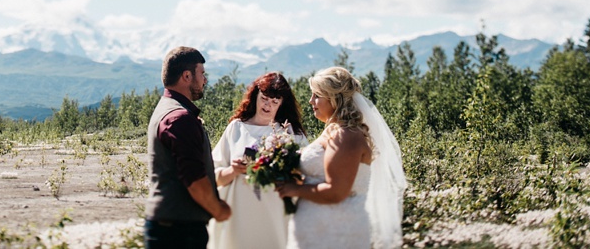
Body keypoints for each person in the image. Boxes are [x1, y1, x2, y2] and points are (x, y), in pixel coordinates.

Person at [276, 66, 406, 249]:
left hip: (336, 231)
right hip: (319, 228)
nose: (310, 101)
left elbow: (336, 192)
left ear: (335, 99)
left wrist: (294, 189)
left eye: (317, 95)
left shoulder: (347, 136)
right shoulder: (333, 131)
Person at [208, 72, 308, 249]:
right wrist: (233, 170)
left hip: (276, 214)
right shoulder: (236, 128)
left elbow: (306, 174)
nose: (268, 105)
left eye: (275, 102)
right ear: (255, 96)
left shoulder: (291, 133)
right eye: (264, 98)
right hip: (240, 214)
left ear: (282, 104)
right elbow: (213, 176)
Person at [144, 46, 231, 249]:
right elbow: (194, 180)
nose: (204, 80)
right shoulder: (180, 118)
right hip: (178, 232)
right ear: (186, 76)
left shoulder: (167, 108)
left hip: (170, 226)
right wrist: (219, 210)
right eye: (202, 74)